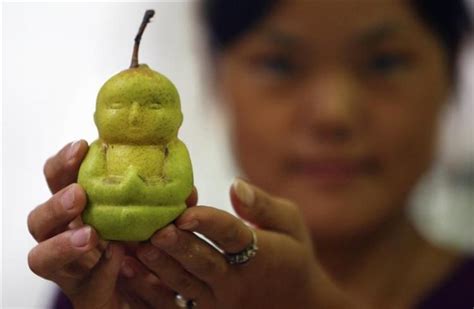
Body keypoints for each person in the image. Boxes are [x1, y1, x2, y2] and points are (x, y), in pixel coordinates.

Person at [28, 0, 473, 308]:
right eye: (279, 64)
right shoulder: (105, 287)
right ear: (216, 82)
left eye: (384, 62)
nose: (333, 114)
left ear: (453, 73)